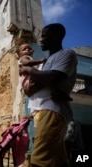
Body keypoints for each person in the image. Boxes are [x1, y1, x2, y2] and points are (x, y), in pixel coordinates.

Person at [19, 23, 77, 167]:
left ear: (57, 36)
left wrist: (29, 71)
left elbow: (52, 78)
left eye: (44, 35)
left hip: (52, 109)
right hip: (43, 110)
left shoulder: (66, 54)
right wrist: (38, 75)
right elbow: (30, 90)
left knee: (38, 159)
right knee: (59, 160)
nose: (41, 39)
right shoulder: (44, 62)